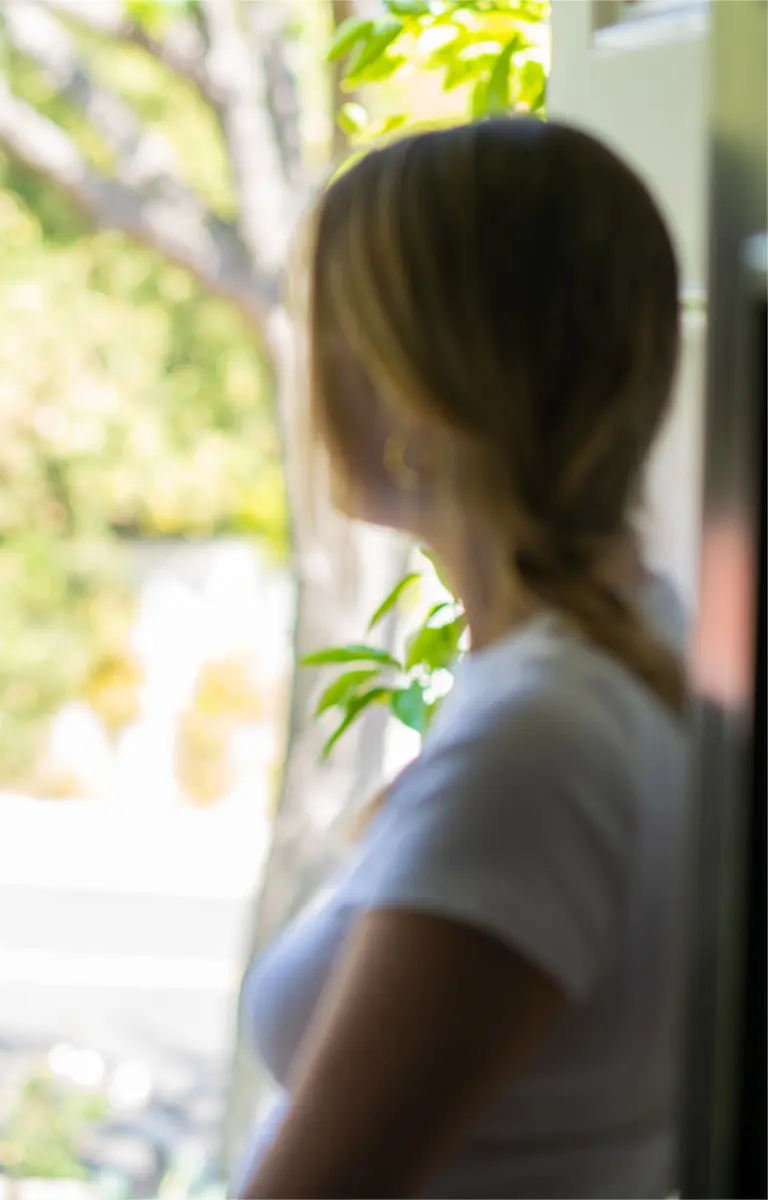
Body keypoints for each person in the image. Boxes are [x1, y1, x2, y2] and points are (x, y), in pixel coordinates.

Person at [237, 119, 690, 1198]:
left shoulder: (544, 740)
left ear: (421, 378)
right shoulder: (617, 649)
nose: (310, 368)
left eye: (332, 327)